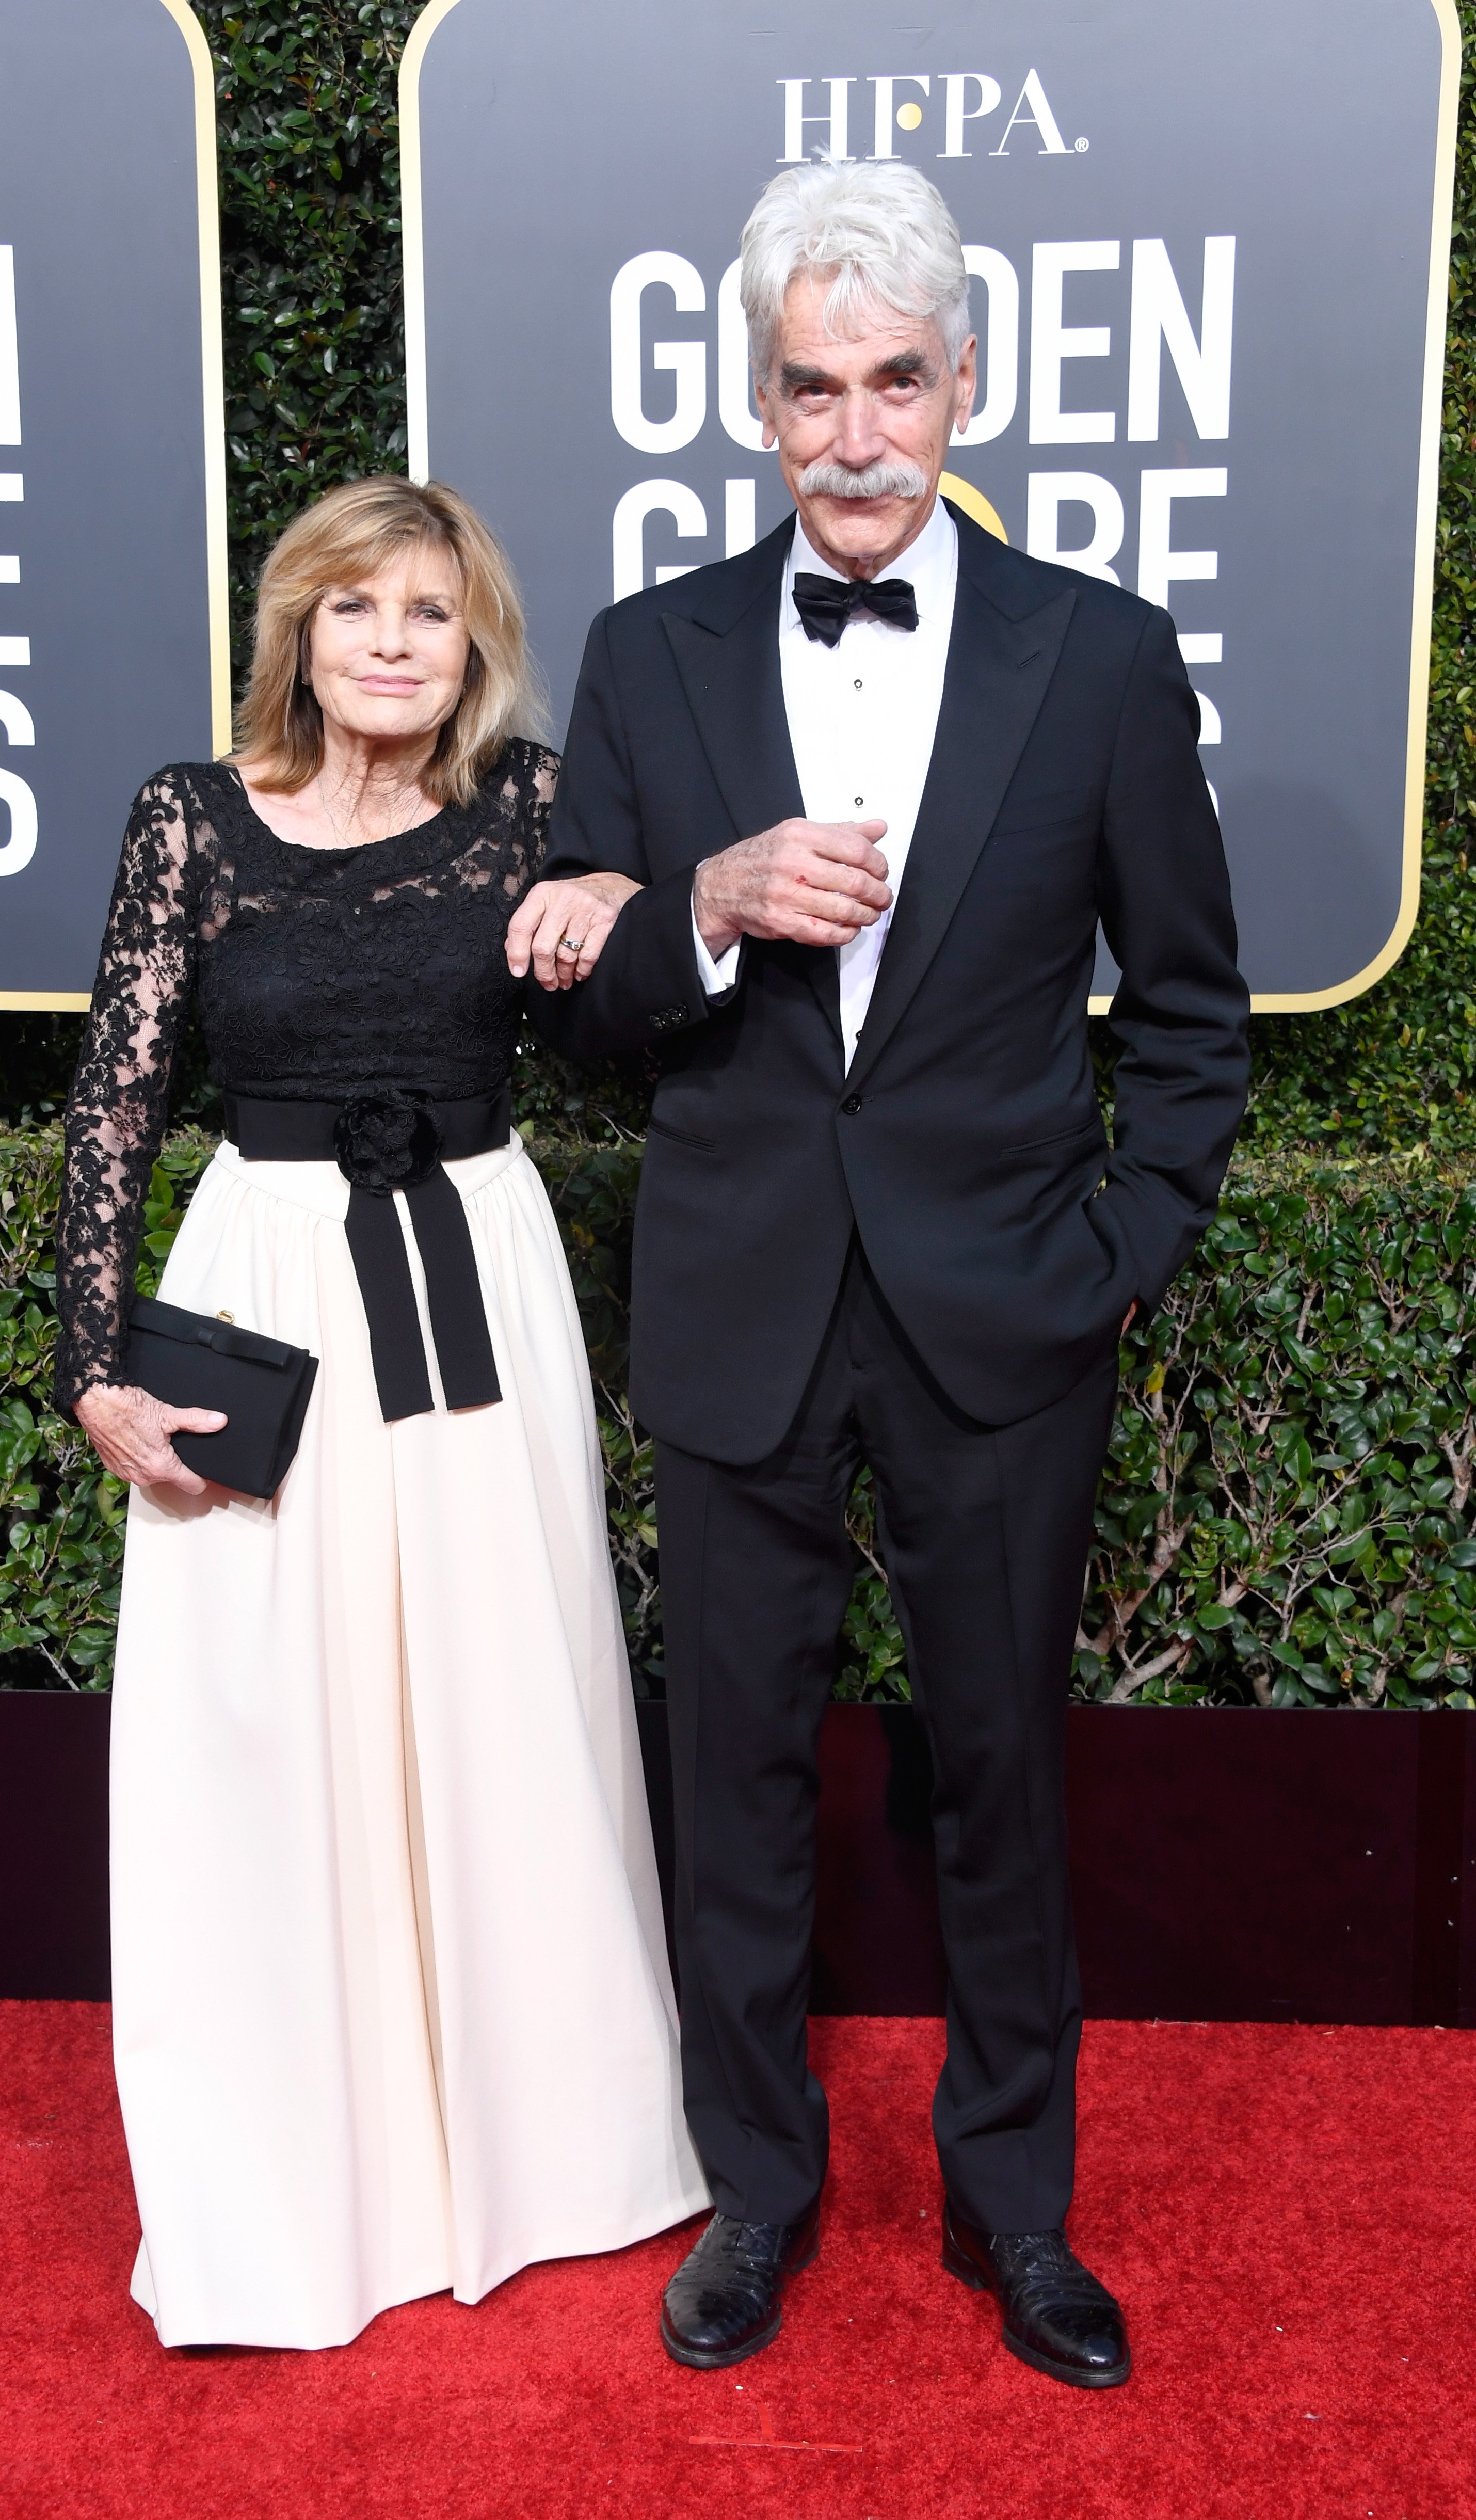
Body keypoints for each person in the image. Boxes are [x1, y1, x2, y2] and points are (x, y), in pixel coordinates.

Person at [508, 159, 1250, 2386]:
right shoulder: (650, 654)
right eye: (811, 388)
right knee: (729, 1774)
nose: (853, 432)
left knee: (1002, 1773)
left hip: (1002, 1309)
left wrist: (1122, 1249)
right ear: (754, 402)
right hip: (745, 1299)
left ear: (961, 389)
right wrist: (706, 898)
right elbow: (573, 993)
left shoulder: (1099, 657)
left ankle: (1014, 2215)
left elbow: (1193, 1013)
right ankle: (756, 2195)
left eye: (894, 384)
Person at [55, 475, 705, 2351]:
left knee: (505, 1689)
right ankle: (301, 2163)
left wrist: (620, 898)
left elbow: (637, 1007)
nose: (396, 642)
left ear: (474, 640)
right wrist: (97, 1357)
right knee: (269, 1712)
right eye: (358, 609)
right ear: (300, 632)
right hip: (261, 1276)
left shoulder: (529, 809)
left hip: (473, 1281)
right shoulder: (189, 819)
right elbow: (114, 1090)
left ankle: (546, 2141)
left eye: (432, 612)